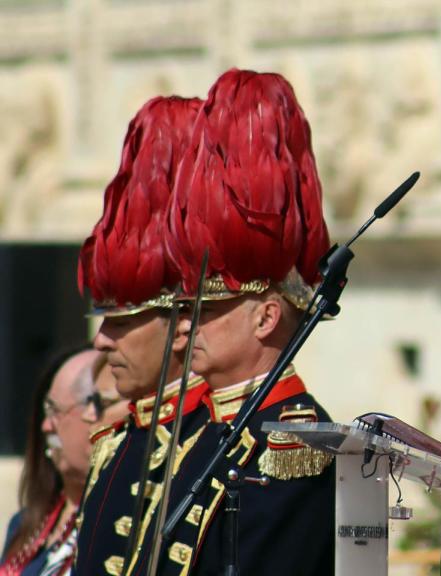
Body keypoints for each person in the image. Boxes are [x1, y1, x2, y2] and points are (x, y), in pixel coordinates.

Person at [149, 69, 335, 575]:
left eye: (205, 311)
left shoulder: (294, 445)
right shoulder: (202, 430)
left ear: (266, 317)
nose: (185, 328)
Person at [73, 95, 211, 576]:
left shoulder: (221, 444)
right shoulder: (115, 444)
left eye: (123, 322)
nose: (101, 341)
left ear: (181, 325)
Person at [2, 346, 97, 576]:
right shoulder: (26, 524)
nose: (46, 426)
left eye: (56, 411)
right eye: (46, 411)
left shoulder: (113, 525)